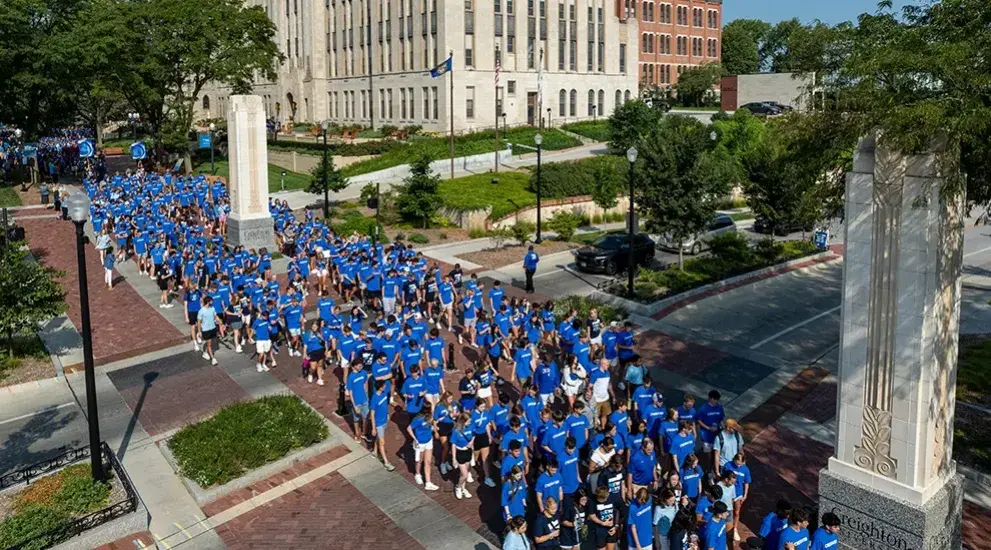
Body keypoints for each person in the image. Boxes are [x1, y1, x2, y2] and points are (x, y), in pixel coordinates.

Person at [406, 406, 440, 490]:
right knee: (419, 461)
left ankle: (428, 483)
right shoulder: (418, 419)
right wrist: (415, 439)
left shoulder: (430, 417)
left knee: (428, 461)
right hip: (420, 443)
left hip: (428, 440)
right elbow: (409, 428)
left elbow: (431, 425)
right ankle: (417, 474)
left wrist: (434, 429)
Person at [369, 380, 396, 471]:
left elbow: (385, 406)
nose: (385, 386)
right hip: (379, 423)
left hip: (385, 420)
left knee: (379, 437)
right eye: (383, 385)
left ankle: (375, 452)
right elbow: (372, 414)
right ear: (380, 387)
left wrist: (387, 414)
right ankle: (386, 463)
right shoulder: (374, 398)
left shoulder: (384, 394)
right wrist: (373, 428)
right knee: (382, 442)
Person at [725, 452, 752, 542]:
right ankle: (725, 526)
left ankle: (735, 528)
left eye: (740, 464)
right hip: (728, 493)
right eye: (737, 463)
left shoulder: (745, 470)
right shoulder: (728, 465)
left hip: (738, 494)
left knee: (736, 512)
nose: (738, 465)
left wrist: (745, 495)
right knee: (727, 510)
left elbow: (747, 483)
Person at [451, 412, 475, 499]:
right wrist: (454, 458)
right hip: (460, 452)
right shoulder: (456, 431)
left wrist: (471, 442)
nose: (469, 423)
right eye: (468, 421)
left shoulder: (470, 427)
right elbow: (453, 444)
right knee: (465, 475)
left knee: (463, 473)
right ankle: (458, 487)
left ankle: (463, 488)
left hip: (468, 451)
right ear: (463, 421)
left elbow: (473, 435)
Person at [587, 485, 619, 550]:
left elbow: (617, 511)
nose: (603, 501)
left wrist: (616, 526)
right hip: (600, 530)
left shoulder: (613, 497)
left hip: (611, 529)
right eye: (600, 499)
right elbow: (592, 515)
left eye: (604, 499)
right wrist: (602, 523)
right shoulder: (592, 500)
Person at [345, 362, 370, 441]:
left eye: (362, 366)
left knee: (366, 417)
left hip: (365, 400)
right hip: (356, 401)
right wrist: (354, 405)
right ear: (354, 366)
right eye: (359, 366)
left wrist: (366, 394)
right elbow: (350, 392)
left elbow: (365, 383)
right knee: (356, 419)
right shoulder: (351, 377)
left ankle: (364, 433)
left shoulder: (363, 373)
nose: (361, 367)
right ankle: (357, 434)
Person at [196, 296, 224, 365]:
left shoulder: (212, 309)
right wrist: (199, 331)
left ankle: (205, 352)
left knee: (210, 342)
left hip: (213, 328)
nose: (213, 302)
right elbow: (199, 322)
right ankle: (213, 359)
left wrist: (221, 322)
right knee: (209, 344)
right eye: (211, 301)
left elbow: (216, 317)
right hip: (206, 330)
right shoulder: (201, 311)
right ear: (208, 302)